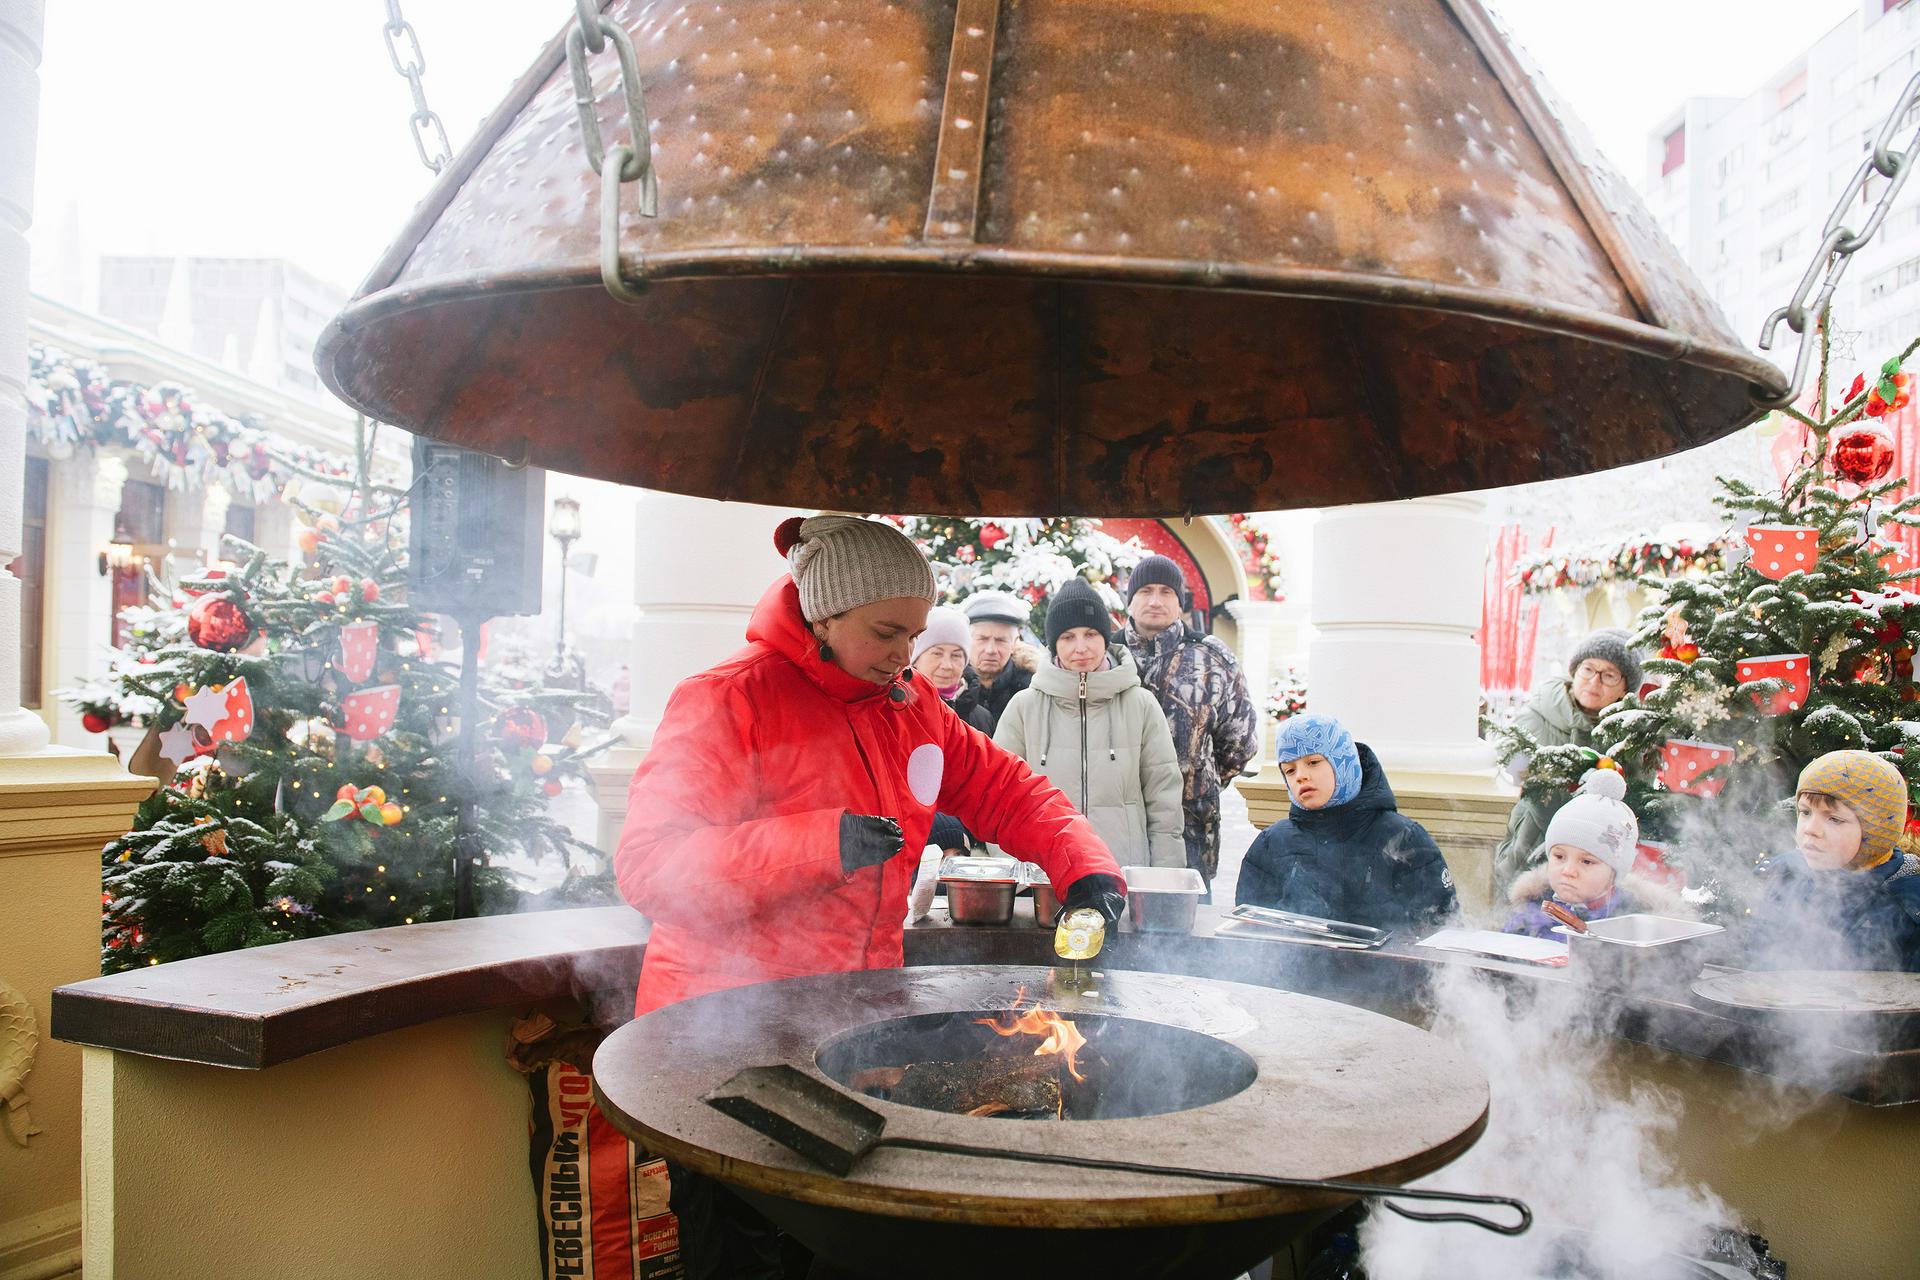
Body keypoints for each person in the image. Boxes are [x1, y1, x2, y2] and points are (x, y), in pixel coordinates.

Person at [615, 515, 1128, 1279]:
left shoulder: (909, 704)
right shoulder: (728, 700)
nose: (906, 653)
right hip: (725, 1043)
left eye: (915, 633)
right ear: (823, 614)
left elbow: (1009, 791)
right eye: (887, 631)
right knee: (742, 1255)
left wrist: (1087, 871)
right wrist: (820, 845)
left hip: (846, 1034)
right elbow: (651, 867)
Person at [993, 578, 1186, 867]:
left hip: (1122, 870)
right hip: (1044, 874)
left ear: (1105, 638)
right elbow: (999, 795)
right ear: (1054, 643)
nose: (1081, 647)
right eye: (1068, 637)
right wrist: (1015, 872)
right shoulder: (1024, 707)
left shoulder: (1141, 705)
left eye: (1091, 634)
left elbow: (1164, 799)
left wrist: (1163, 880)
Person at [1115, 555, 1260, 889]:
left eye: (1166, 591)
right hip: (1114, 823)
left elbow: (1241, 740)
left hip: (1191, 827)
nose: (1155, 600)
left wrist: (1201, 777)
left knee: (1183, 934)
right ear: (1130, 599)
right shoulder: (1105, 654)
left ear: (1179, 602)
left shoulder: (1212, 656)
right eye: (1145, 590)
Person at [1235, 714, 1457, 931]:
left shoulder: (1403, 837)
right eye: (1290, 770)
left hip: (1387, 966)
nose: (1300, 776)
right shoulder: (1272, 843)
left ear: (1343, 761)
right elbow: (1251, 930)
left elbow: (1442, 923)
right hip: (1292, 966)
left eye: (1313, 762)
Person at [1492, 629, 1643, 892]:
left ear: (1624, 688)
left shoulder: (1629, 735)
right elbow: (1508, 772)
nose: (1594, 682)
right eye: (1587, 669)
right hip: (1526, 844)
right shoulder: (1535, 717)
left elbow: (1639, 798)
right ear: (1574, 671)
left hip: (1593, 862)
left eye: (1608, 675)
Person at [1743, 750, 1920, 972]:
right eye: (1805, 812)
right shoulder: (1787, 877)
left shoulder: (1909, 904)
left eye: (1834, 819)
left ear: (1876, 832)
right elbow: (1755, 962)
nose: (1811, 830)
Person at [1502, 769, 1687, 938]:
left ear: (1614, 871)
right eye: (1559, 857)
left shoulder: (1635, 920)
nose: (1568, 871)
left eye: (1587, 862)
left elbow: (1679, 962)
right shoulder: (1529, 914)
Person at [912, 605, 990, 854]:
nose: (947, 665)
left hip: (967, 847)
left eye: (957, 655)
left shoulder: (980, 716)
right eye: (936, 653)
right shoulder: (898, 712)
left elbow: (985, 788)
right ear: (916, 657)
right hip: (915, 844)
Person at [962, 589, 1040, 732]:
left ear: (1014, 643)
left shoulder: (1033, 690)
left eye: (1001, 640)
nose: (991, 649)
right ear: (966, 639)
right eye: (982, 639)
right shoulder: (951, 689)